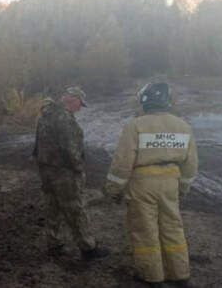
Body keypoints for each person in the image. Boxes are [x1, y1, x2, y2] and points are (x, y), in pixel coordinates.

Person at [105, 83, 198, 288]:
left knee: (145, 229)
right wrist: (183, 188)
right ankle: (180, 275)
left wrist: (113, 189)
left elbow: (122, 163)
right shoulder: (183, 126)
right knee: (173, 227)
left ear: (145, 101)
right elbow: (191, 165)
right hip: (170, 184)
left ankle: (152, 277)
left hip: (142, 185)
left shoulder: (135, 126)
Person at [33, 86, 109, 260]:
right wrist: (78, 168)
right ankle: (88, 248)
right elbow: (70, 149)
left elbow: (39, 143)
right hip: (64, 172)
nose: (80, 108)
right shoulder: (64, 118)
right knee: (75, 209)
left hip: (46, 169)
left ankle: (54, 243)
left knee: (52, 206)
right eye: (80, 104)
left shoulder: (46, 113)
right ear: (73, 100)